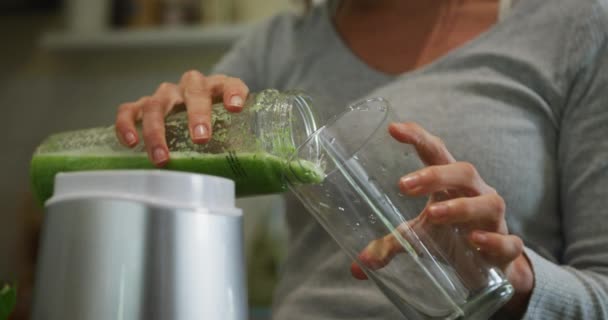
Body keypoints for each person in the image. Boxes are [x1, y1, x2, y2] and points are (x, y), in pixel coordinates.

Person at [114, 0, 608, 318]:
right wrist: (167, 129)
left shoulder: (575, 27)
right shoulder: (280, 44)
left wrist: (515, 280)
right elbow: (167, 181)